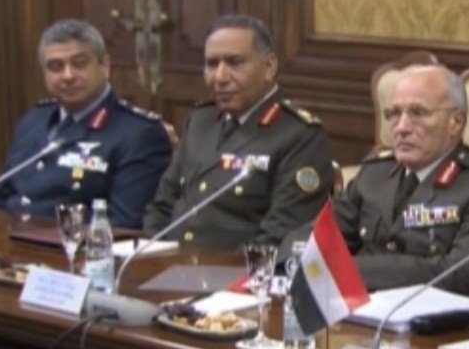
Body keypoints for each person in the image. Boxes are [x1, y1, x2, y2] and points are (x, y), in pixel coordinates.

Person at [284, 64, 469, 299]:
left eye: (418, 113)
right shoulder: (376, 173)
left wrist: (343, 268)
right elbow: (309, 237)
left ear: (455, 122)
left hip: (430, 315)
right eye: (394, 114)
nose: (402, 127)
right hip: (355, 308)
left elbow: (463, 274)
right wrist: (297, 258)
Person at [143, 14, 333, 249]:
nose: (220, 77)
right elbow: (162, 207)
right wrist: (152, 254)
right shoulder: (201, 121)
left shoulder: (299, 135)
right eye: (212, 64)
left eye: (235, 63)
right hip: (171, 261)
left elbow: (282, 235)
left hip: (236, 268)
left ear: (269, 67)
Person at [0, 19, 173, 229]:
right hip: (10, 239)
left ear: (105, 66)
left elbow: (124, 224)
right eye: (56, 67)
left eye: (79, 63)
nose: (68, 76)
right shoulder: (33, 121)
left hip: (72, 245)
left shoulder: (139, 134)